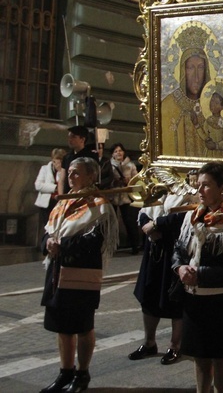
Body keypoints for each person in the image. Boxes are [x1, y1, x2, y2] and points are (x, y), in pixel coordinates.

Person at [172, 162, 223, 393]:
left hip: (222, 300)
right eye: (198, 185)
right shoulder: (195, 215)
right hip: (195, 298)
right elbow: (179, 249)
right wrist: (180, 268)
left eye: (206, 185)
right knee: (200, 355)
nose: (199, 190)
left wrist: (200, 275)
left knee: (219, 356)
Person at [39, 157, 118, 393]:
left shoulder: (98, 204)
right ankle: (65, 372)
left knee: (82, 325)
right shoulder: (64, 202)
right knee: (62, 326)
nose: (71, 177)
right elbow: (48, 230)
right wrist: (48, 243)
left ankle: (82, 374)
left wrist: (62, 244)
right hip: (57, 270)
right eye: (70, 173)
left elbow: (94, 240)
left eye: (76, 173)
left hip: (81, 272)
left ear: (91, 176)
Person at [129, 188, 198, 366]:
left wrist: (158, 224)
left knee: (175, 299)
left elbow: (187, 215)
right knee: (148, 296)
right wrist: (148, 227)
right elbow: (144, 208)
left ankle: (175, 346)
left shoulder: (189, 189)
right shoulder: (158, 186)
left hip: (174, 249)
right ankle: (149, 342)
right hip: (154, 250)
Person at [161, 25, 211, 156]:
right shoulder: (168, 105)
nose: (196, 76)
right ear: (183, 71)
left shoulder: (213, 106)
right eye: (190, 68)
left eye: (200, 68)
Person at [110, 143, 140, 254]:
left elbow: (136, 180)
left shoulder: (131, 165)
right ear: (112, 154)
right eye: (116, 151)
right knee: (112, 222)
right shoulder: (109, 166)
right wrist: (115, 182)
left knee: (130, 221)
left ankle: (134, 245)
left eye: (120, 150)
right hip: (112, 196)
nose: (118, 153)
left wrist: (129, 182)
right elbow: (107, 180)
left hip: (126, 197)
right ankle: (112, 246)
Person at [35, 148, 66, 234]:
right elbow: (38, 185)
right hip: (47, 204)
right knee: (47, 227)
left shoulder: (64, 171)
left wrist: (60, 172)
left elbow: (64, 183)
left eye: (60, 161)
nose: (57, 164)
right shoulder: (45, 169)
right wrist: (55, 187)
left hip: (59, 203)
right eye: (56, 161)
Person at [60, 126, 99, 194]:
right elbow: (62, 179)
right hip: (68, 194)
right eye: (69, 137)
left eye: (73, 137)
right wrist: (61, 196)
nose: (70, 140)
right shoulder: (67, 157)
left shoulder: (90, 156)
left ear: (82, 139)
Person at [195, 91, 223, 159]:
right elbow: (205, 136)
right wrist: (197, 125)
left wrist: (216, 145)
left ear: (221, 107)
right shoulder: (208, 121)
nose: (212, 104)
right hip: (209, 154)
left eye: (216, 103)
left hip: (222, 156)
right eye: (212, 100)